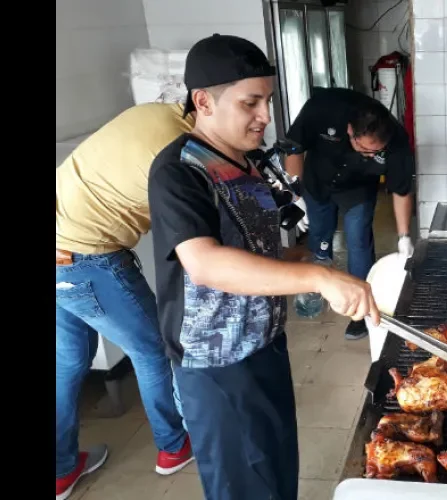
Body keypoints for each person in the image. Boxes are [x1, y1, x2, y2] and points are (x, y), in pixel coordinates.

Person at [147, 34, 380, 500]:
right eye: (251, 102)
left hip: (266, 345)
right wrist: (317, 276)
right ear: (203, 102)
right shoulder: (179, 170)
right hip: (217, 368)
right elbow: (206, 264)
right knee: (242, 485)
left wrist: (313, 264)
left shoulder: (248, 160)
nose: (266, 116)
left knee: (277, 470)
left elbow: (258, 247)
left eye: (268, 100)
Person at [55, 103, 197, 500]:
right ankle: (173, 447)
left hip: (60, 245)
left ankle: (60, 471)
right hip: (89, 258)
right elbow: (191, 242)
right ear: (205, 105)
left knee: (66, 362)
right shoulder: (181, 151)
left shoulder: (154, 111)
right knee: (153, 350)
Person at [284, 86, 415, 340]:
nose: (370, 155)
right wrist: (295, 196)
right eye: (364, 149)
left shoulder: (397, 141)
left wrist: (403, 237)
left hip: (358, 189)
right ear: (349, 131)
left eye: (375, 152)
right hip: (317, 182)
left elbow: (401, 190)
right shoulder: (323, 108)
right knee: (319, 241)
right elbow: (294, 148)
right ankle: (317, 291)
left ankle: (360, 312)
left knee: (358, 241)